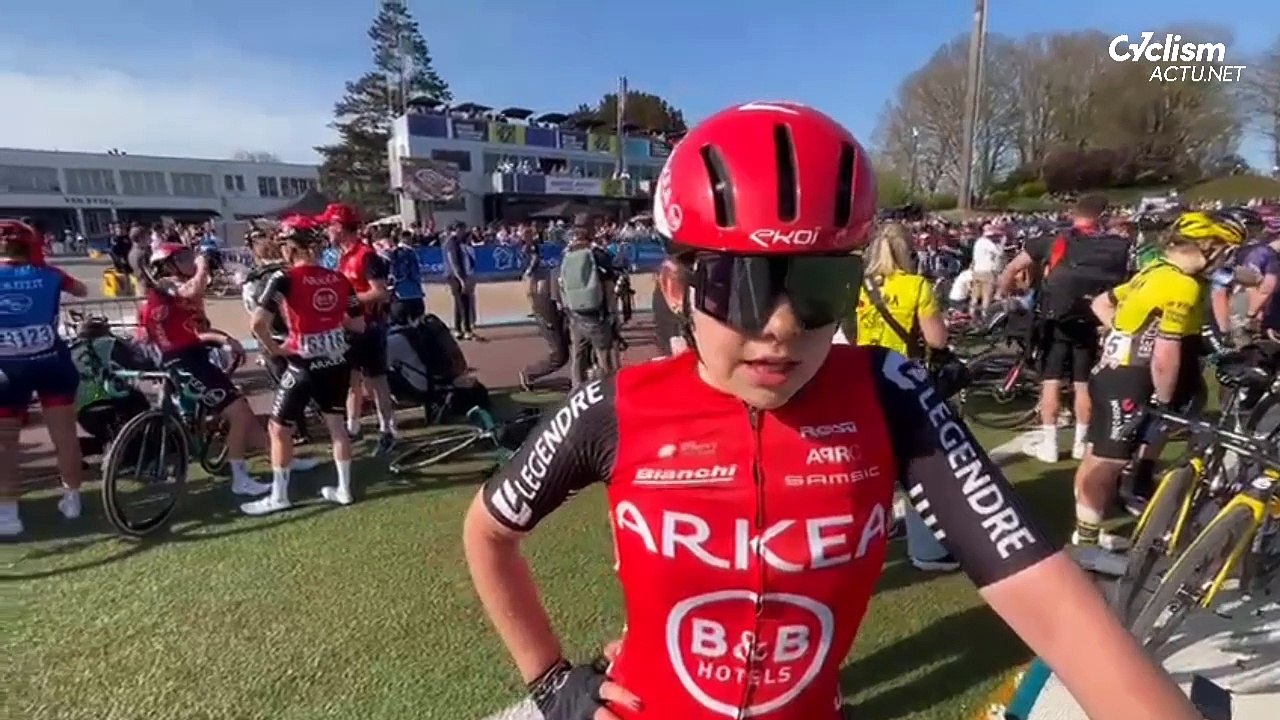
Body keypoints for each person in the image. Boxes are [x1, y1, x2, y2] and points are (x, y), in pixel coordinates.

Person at [462, 102, 1203, 720]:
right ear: (678, 287)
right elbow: (488, 532)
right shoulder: (613, 407)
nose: (781, 326)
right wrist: (551, 679)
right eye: (744, 285)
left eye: (818, 287)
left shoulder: (889, 393)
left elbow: (1054, 604)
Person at [1074, 211, 1245, 575]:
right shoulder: (1181, 285)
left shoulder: (1154, 271)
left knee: (1095, 456)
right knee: (1108, 464)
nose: (1227, 259)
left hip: (1110, 372)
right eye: (1226, 251)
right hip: (1131, 380)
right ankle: (1085, 551)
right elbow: (1166, 355)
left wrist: (1123, 332)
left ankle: (1085, 536)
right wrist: (1164, 403)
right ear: (1208, 247)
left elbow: (1101, 303)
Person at [837, 223, 953, 573]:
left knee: (872, 463)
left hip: (861, 379)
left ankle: (873, 531)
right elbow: (937, 340)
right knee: (917, 466)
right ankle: (926, 550)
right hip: (903, 381)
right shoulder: (918, 285)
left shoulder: (854, 285)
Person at [244, 216, 364, 515]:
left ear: (293, 247)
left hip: (302, 364)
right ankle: (345, 489)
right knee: (337, 425)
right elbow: (358, 324)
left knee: (278, 427)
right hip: (337, 361)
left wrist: (277, 349)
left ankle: (280, 495)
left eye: (283, 244)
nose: (281, 250)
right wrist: (331, 325)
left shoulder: (283, 278)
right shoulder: (339, 278)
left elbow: (258, 323)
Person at [998, 194, 1129, 463]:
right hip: (1090, 318)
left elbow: (1012, 269)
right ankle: (1081, 443)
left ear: (1072, 213)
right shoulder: (1113, 246)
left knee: (1051, 381)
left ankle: (1050, 444)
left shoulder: (1054, 239)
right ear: (1101, 216)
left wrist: (1006, 293)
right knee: (1083, 383)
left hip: (1055, 318)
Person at [138, 242, 269, 496]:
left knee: (242, 411)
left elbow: (196, 331)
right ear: (168, 265)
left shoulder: (177, 295)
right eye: (184, 257)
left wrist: (224, 339)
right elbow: (192, 289)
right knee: (238, 413)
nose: (191, 260)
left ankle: (279, 458)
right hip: (183, 364)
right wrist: (202, 264)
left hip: (195, 357)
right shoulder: (166, 286)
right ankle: (240, 477)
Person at [0, 220, 88, 536]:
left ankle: (8, 514)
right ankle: (72, 498)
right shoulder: (51, 275)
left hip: (6, 370)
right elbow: (82, 290)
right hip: (52, 361)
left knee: (6, 446)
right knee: (65, 436)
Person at [318, 203, 398, 455]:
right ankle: (353, 428)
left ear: (340, 227)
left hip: (369, 328)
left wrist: (345, 301)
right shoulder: (343, 255)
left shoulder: (366, 255)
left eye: (328, 225)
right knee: (351, 381)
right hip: (350, 328)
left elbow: (381, 293)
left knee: (376, 382)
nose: (326, 231)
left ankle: (388, 430)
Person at [519, 226, 570, 389]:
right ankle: (530, 373)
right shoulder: (530, 252)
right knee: (559, 354)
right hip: (545, 305)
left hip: (546, 304)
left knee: (566, 348)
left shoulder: (535, 251)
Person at [441, 221, 477, 339]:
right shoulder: (452, 242)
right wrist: (461, 279)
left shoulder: (458, 242)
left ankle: (458, 329)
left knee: (459, 302)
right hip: (455, 276)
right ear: (456, 229)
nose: (463, 232)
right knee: (463, 301)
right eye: (461, 230)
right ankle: (466, 329)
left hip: (458, 275)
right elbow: (453, 262)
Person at [388, 230, 426, 326]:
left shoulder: (407, 252)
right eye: (407, 237)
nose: (410, 240)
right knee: (414, 325)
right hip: (405, 294)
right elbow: (403, 273)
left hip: (409, 294)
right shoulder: (400, 253)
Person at [968, 223, 1004, 316]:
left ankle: (971, 313)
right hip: (987, 272)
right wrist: (1001, 243)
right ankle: (985, 315)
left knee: (975, 295)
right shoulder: (988, 243)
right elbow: (999, 253)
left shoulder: (978, 242)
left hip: (977, 271)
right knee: (987, 295)